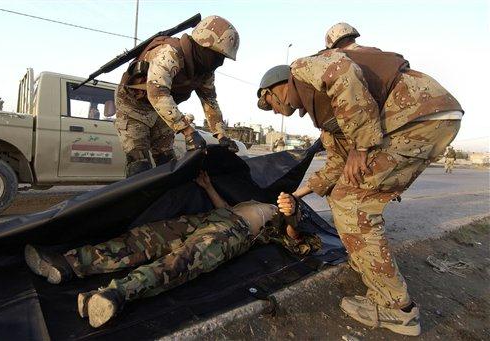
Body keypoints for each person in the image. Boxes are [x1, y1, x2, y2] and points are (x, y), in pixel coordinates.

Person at [256, 31, 463, 335]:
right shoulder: (325, 114)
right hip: (425, 117)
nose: (274, 111)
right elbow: (338, 165)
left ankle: (396, 308)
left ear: (276, 88)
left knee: (350, 201)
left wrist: (362, 146)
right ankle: (368, 262)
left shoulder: (303, 69)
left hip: (417, 114)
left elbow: (343, 70)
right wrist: (297, 194)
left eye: (269, 104)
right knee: (343, 193)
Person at [24, 171, 321, 328]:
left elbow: (296, 240)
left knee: (178, 263)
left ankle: (114, 294)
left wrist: (292, 214)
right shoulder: (260, 202)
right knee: (143, 238)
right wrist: (207, 188)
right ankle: (69, 264)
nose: (285, 202)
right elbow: (227, 208)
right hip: (212, 218)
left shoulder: (283, 217)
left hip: (233, 234)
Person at [115, 15, 240, 177]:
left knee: (167, 162)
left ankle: (169, 201)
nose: (220, 62)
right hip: (134, 105)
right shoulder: (169, 53)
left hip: (163, 110)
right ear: (203, 44)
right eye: (217, 56)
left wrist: (221, 134)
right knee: (139, 165)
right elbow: (157, 92)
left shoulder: (205, 71)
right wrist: (188, 131)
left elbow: (209, 100)